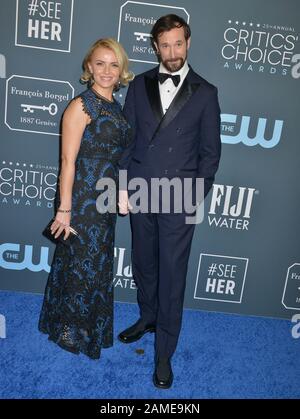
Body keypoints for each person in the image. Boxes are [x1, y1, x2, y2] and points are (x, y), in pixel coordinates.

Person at [117, 15, 221, 388]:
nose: (172, 52)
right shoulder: (139, 84)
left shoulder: (205, 92)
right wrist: (124, 188)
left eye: (179, 43)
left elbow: (210, 155)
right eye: (165, 44)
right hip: (142, 191)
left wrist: (192, 196)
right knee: (144, 261)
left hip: (179, 198)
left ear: (188, 43)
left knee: (172, 275)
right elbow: (126, 142)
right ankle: (147, 317)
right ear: (155, 46)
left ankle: (163, 353)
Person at [39, 38, 133, 359]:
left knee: (96, 263)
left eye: (114, 64)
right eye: (100, 63)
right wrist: (64, 210)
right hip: (80, 198)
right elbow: (67, 161)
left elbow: (117, 157)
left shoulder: (116, 108)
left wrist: (120, 191)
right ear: (88, 67)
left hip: (104, 198)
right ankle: (70, 330)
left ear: (121, 70)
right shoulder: (82, 106)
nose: (106, 71)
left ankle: (85, 326)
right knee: (82, 263)